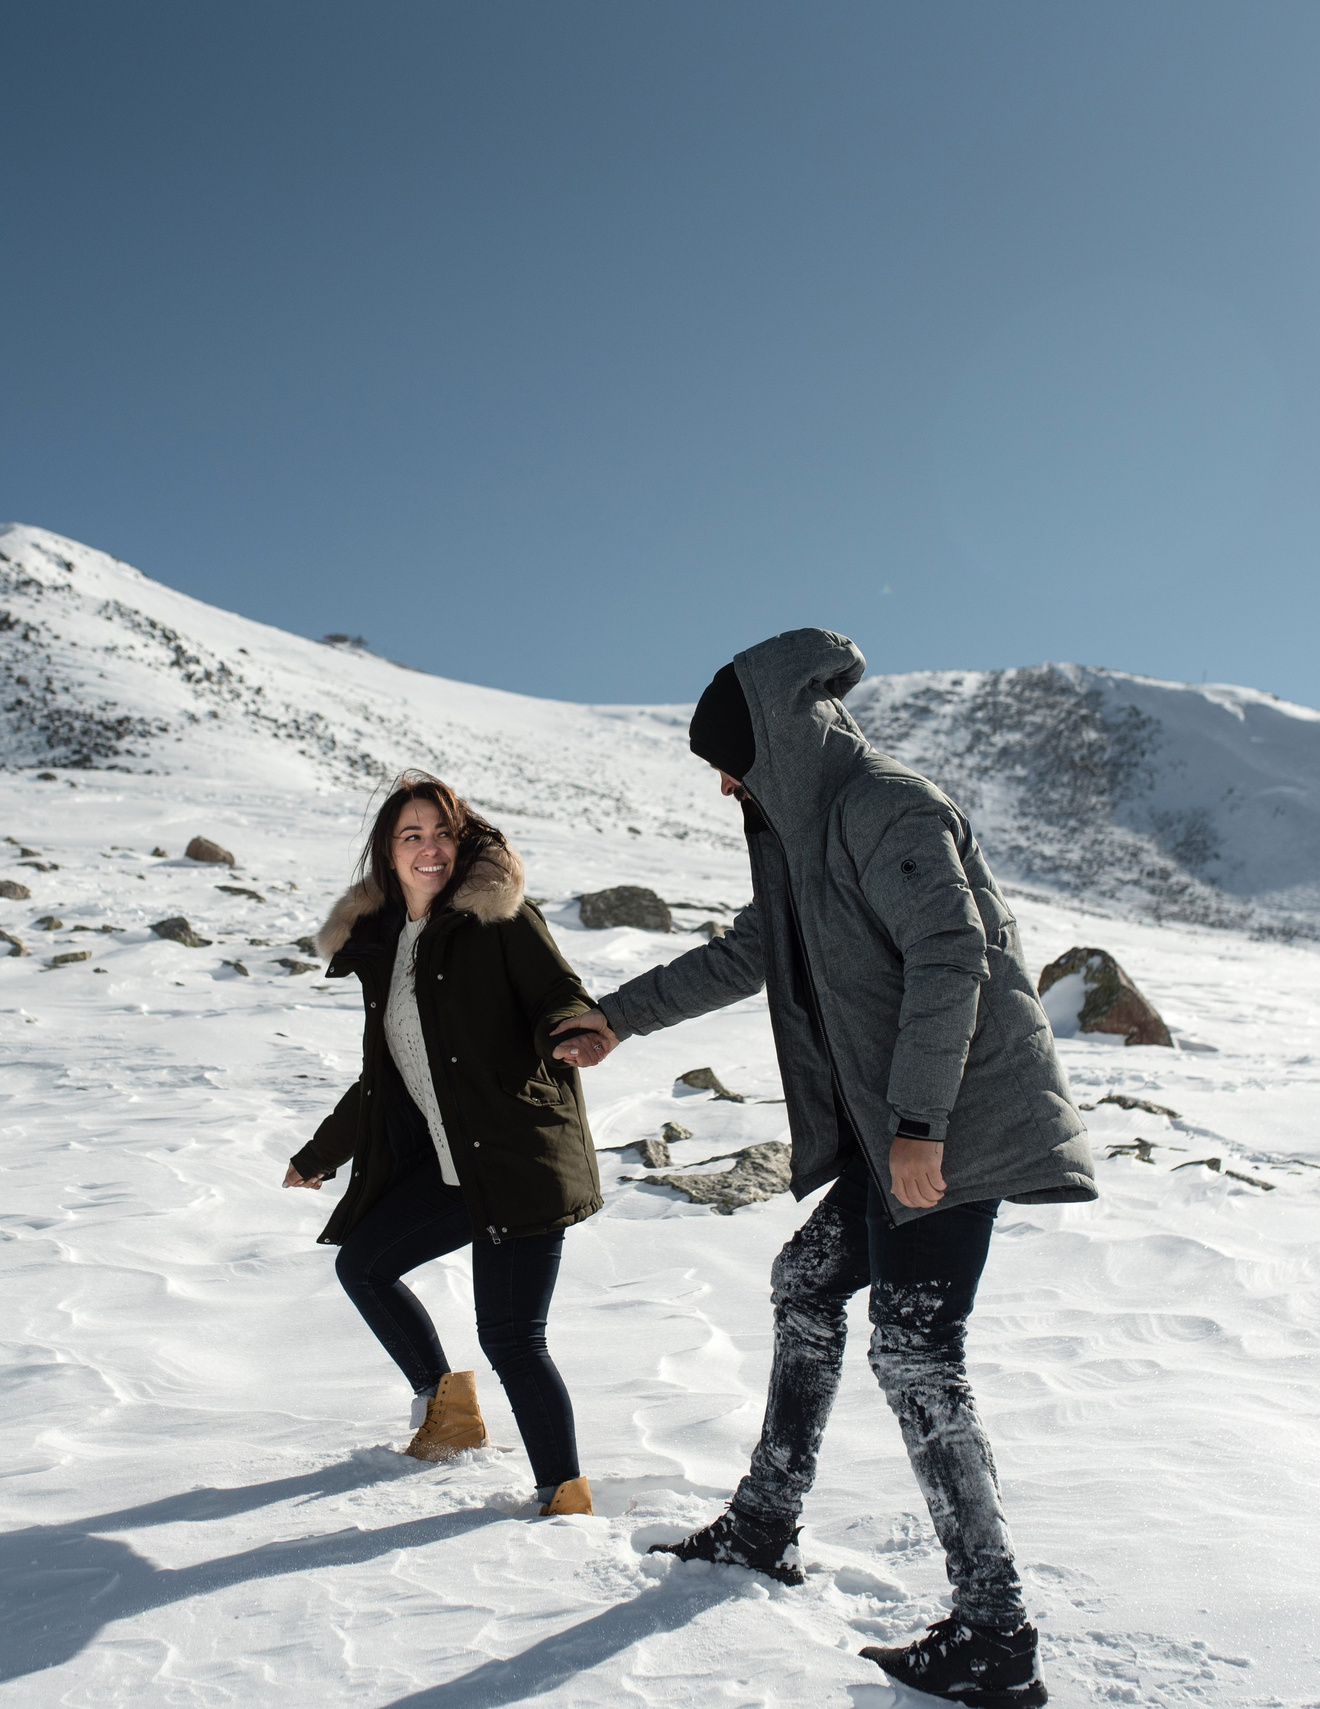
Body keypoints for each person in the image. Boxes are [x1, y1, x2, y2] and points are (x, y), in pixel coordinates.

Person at [549, 630, 1095, 1706]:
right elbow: (747, 951)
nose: (721, 781)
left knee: (915, 1350)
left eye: (731, 758)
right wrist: (616, 1019)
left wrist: (920, 1125)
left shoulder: (886, 807)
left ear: (772, 743)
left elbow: (954, 957)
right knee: (806, 1282)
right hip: (907, 1130)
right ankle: (765, 1516)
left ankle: (994, 1628)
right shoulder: (808, 833)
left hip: (955, 1129)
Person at [285, 771, 606, 1517]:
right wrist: (320, 1152)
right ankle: (448, 1407)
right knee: (364, 1262)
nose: (430, 848)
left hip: (517, 1159)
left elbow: (559, 990)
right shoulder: (391, 945)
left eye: (442, 832)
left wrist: (570, 1028)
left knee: (512, 1336)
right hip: (452, 1164)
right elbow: (385, 1076)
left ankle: (565, 1497)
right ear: (388, 855)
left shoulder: (498, 920)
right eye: (411, 835)